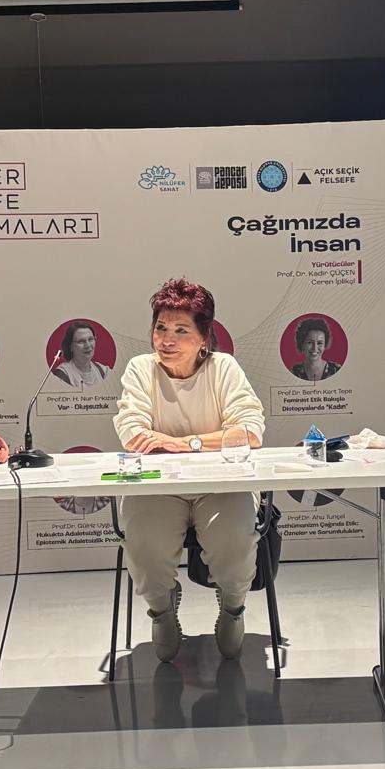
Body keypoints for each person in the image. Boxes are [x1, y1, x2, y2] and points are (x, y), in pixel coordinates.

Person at [114, 278, 265, 663]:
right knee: (144, 541)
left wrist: (186, 443)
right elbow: (132, 431)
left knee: (234, 540)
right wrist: (215, 439)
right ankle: (162, 610)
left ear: (203, 338)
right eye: (161, 328)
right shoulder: (141, 369)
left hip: (221, 483)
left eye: (181, 330)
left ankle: (233, 606)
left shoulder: (222, 368)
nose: (167, 339)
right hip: (159, 486)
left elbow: (249, 432)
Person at [51, 320, 110, 389]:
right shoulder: (62, 375)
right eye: (81, 341)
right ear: (70, 346)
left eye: (90, 339)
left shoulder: (103, 371)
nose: (88, 345)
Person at [289, 317, 342, 382]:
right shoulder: (293, 372)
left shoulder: (336, 370)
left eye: (320, 343)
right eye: (310, 342)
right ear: (302, 344)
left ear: (324, 345)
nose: (315, 348)